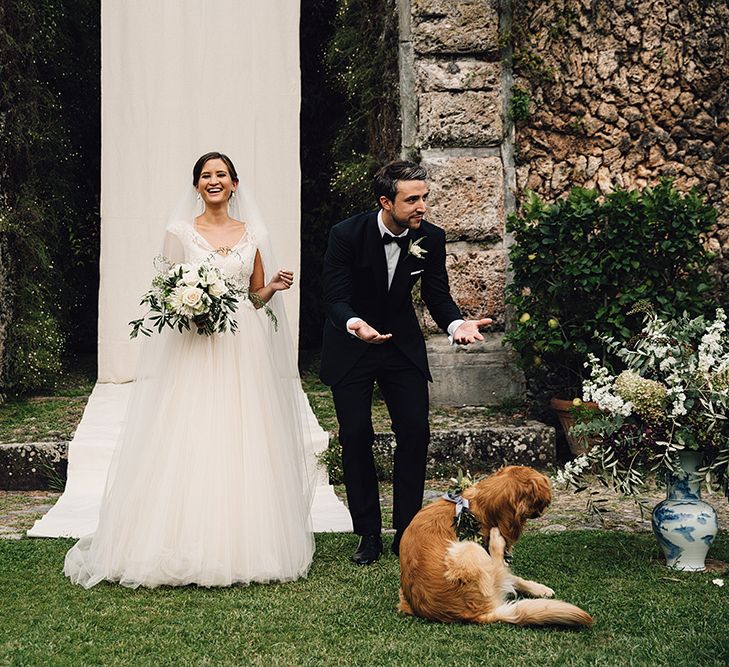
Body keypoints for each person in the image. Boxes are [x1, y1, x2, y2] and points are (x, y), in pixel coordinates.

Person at [64, 152, 316, 588]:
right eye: (206, 176)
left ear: (234, 184)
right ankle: (176, 540)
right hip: (194, 346)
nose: (213, 181)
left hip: (243, 345)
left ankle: (245, 542)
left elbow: (254, 296)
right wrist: (189, 309)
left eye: (221, 175)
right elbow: (166, 291)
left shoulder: (254, 233)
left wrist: (271, 287)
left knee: (243, 433)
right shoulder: (179, 232)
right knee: (190, 428)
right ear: (197, 186)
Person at [320, 160, 492, 565]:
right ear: (385, 201)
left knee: (415, 431)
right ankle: (367, 534)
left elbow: (437, 294)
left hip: (400, 346)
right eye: (411, 199)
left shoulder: (430, 238)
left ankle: (406, 532)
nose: (422, 207)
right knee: (356, 435)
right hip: (353, 344)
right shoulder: (346, 235)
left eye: (424, 198)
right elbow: (335, 297)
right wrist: (356, 325)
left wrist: (455, 324)